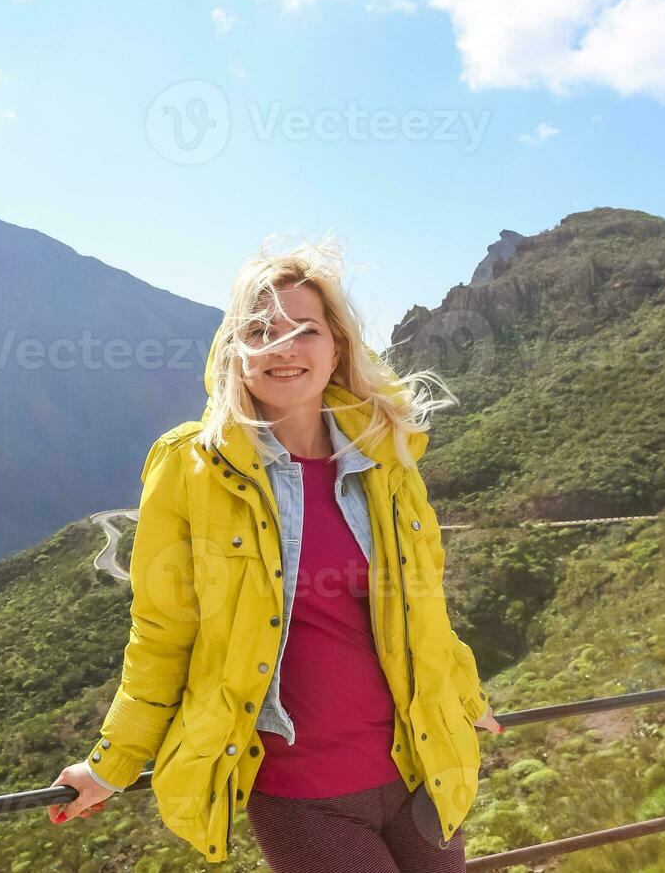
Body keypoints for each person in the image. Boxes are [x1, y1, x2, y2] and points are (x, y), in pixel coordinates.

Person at [49, 236, 503, 868]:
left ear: (337, 345)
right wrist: (112, 763)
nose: (282, 349)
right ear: (233, 350)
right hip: (303, 796)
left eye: (305, 330)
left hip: (420, 767)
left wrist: (469, 701)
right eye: (260, 330)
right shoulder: (190, 467)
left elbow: (425, 613)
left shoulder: (385, 460)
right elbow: (161, 632)